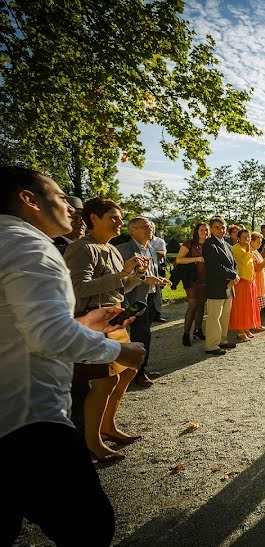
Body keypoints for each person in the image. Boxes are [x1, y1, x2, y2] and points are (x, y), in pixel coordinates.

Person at [0, 167, 146, 547]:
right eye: (60, 196)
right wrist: (118, 351)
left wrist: (79, 324)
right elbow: (46, 333)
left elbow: (17, 323)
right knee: (89, 527)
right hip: (27, 415)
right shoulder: (30, 245)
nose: (70, 206)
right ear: (29, 200)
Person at [65, 197, 149, 461]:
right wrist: (122, 274)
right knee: (105, 381)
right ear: (94, 219)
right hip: (93, 323)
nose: (120, 222)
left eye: (120, 218)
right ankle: (93, 443)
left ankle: (108, 426)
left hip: (116, 319)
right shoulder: (82, 248)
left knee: (124, 375)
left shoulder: (112, 249)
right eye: (113, 217)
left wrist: (135, 276)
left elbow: (120, 288)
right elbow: (79, 289)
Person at [117, 217, 170, 387]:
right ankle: (134, 373)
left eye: (150, 227)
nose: (150, 230)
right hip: (133, 300)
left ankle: (142, 369)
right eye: (145, 227)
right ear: (132, 230)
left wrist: (158, 280)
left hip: (150, 297)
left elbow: (150, 272)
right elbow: (121, 278)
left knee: (145, 335)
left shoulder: (150, 248)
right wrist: (145, 279)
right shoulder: (123, 250)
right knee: (137, 336)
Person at [203, 217, 238, 356]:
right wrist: (233, 276)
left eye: (223, 227)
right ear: (211, 229)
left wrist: (234, 276)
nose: (221, 230)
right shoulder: (209, 245)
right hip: (216, 286)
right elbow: (214, 267)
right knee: (214, 316)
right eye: (217, 227)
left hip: (229, 285)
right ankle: (211, 345)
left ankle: (222, 340)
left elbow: (233, 263)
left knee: (225, 316)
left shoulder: (227, 244)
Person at [174, 222, 209, 346]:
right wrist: (196, 259)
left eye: (206, 230)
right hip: (192, 279)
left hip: (205, 280)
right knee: (193, 305)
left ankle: (198, 330)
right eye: (201, 230)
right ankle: (186, 333)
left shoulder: (210, 244)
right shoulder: (189, 243)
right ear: (196, 231)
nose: (204, 232)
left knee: (201, 305)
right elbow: (178, 259)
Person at [229, 229, 260, 341]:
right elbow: (243, 262)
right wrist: (248, 250)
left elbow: (251, 265)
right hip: (241, 282)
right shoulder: (236, 248)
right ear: (238, 238)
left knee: (248, 307)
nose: (247, 239)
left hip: (249, 281)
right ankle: (240, 331)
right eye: (245, 237)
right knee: (241, 307)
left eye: (249, 237)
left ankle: (246, 328)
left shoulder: (246, 249)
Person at [249, 231, 265, 329]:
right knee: (255, 306)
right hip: (256, 283)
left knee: (258, 306)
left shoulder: (255, 251)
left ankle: (256, 324)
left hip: (260, 283)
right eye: (258, 242)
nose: (260, 244)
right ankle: (254, 325)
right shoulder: (251, 252)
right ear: (251, 241)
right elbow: (258, 267)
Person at [147, 222, 167, 322]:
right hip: (146, 269)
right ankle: (148, 313)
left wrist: (148, 252)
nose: (150, 230)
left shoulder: (159, 241)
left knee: (158, 292)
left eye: (151, 228)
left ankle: (157, 314)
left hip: (157, 268)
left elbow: (162, 254)